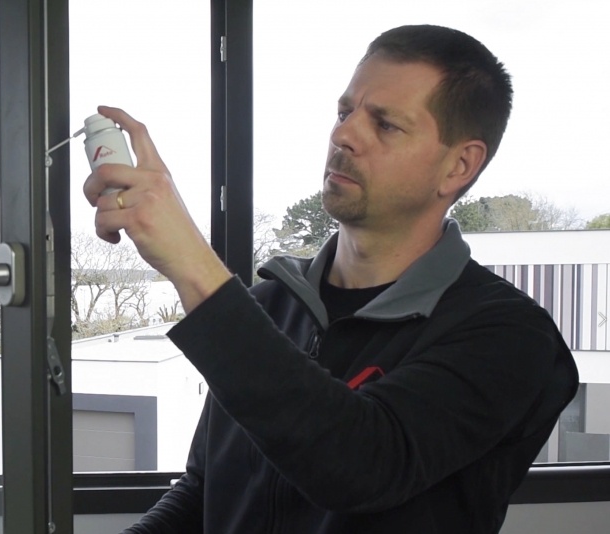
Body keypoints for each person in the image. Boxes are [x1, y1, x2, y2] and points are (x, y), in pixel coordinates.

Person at [83, 25, 579, 533]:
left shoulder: (509, 336)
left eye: (385, 124)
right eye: (345, 113)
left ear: (459, 165)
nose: (344, 135)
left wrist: (192, 262)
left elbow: (361, 465)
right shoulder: (268, 307)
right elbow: (204, 492)